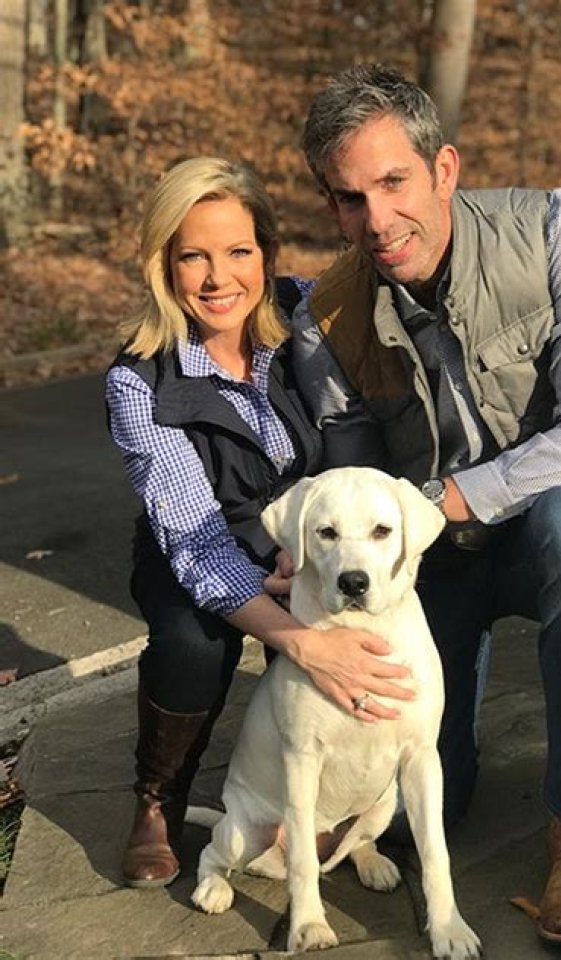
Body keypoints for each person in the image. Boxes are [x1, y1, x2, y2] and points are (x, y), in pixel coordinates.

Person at [292, 65, 561, 948]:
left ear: (445, 169)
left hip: (555, 527)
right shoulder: (326, 320)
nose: (378, 220)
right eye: (351, 198)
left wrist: (450, 496)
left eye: (394, 182)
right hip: (440, 561)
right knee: (411, 814)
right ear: (332, 206)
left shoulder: (557, 232)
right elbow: (352, 490)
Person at [106, 156, 415, 890]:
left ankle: (353, 798)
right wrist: (301, 641)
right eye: (194, 256)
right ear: (164, 265)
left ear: (267, 253)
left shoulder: (308, 313)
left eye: (239, 251)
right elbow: (199, 543)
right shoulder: (138, 381)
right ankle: (158, 797)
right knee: (193, 639)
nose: (220, 279)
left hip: (313, 541)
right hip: (199, 548)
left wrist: (311, 554)